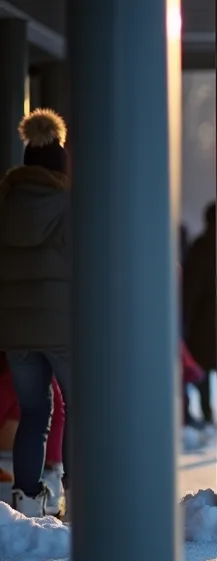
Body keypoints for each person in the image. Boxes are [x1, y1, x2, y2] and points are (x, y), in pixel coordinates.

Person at [0, 109, 73, 518]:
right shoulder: (68, 205)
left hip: (15, 330)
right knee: (80, 409)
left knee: (33, 412)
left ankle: (26, 499)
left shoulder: (5, 204)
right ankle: (80, 496)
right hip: (62, 326)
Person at [0, 353, 65, 514]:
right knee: (75, 406)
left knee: (34, 412)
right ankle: (73, 493)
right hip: (58, 337)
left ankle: (28, 503)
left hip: (18, 340)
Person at [181, 201, 217, 427]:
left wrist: (186, 318)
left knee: (203, 369)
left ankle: (206, 413)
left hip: (203, 322)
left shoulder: (200, 247)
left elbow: (191, 289)